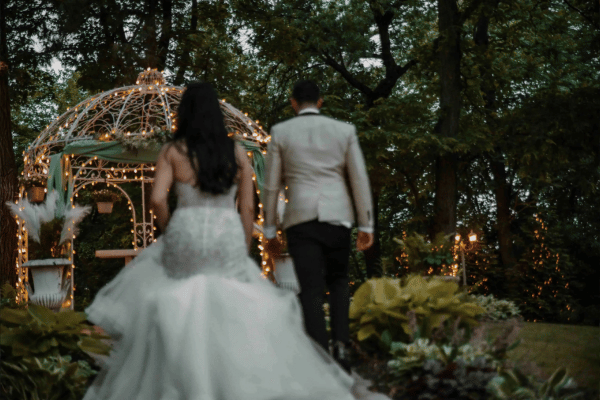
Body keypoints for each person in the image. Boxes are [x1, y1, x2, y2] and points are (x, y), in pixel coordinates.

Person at [82, 82, 388, 400]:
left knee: (177, 300)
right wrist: (243, 246)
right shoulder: (236, 151)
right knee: (237, 300)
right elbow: (247, 207)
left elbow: (158, 199)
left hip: (186, 231)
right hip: (225, 232)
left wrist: (170, 229)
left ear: (184, 113)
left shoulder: (173, 150)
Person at [263, 80, 375, 372]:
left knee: (310, 289)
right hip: (338, 217)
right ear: (321, 102)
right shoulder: (344, 131)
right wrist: (366, 225)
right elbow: (359, 178)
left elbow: (271, 186)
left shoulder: (281, 132)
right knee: (339, 282)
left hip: (300, 219)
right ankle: (342, 346)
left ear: (293, 103)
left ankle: (320, 356)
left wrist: (269, 230)